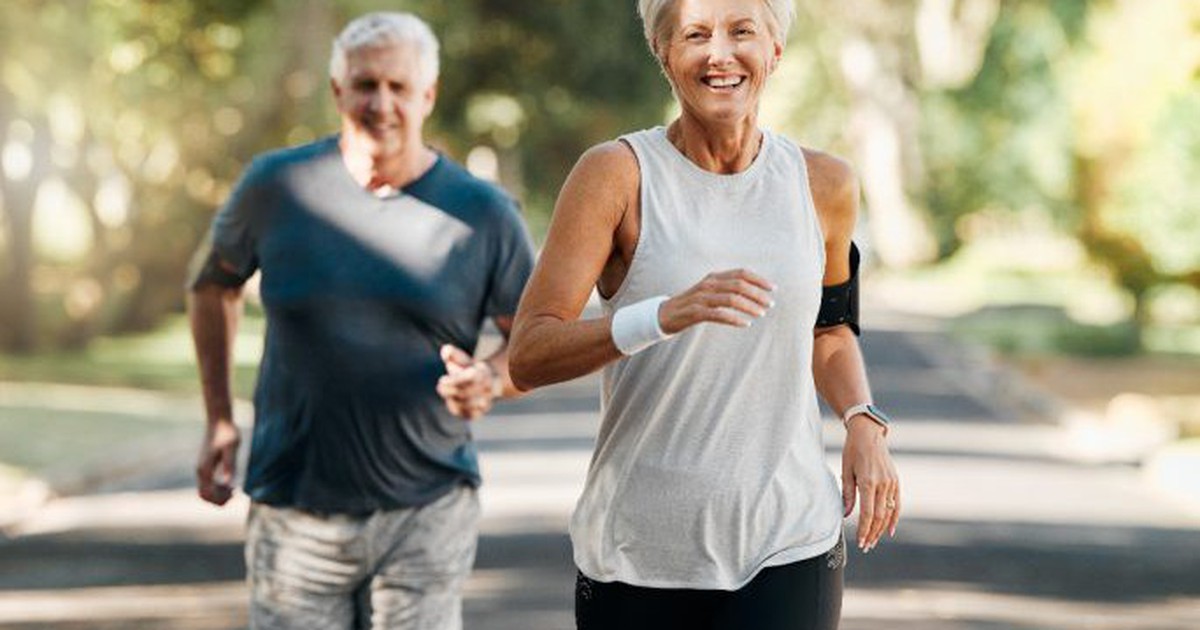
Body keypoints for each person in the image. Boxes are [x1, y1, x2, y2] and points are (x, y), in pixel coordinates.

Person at [507, 0, 900, 628]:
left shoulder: (825, 184)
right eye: (695, 35)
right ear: (664, 54)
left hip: (789, 540)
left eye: (742, 31)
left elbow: (829, 329)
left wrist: (861, 417)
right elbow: (529, 353)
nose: (720, 54)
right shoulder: (616, 175)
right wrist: (660, 316)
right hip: (639, 553)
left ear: (774, 50)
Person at [187, 11, 534, 629]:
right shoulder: (277, 186)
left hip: (427, 507)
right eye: (366, 85)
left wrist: (490, 378)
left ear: (428, 96)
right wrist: (218, 416)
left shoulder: (484, 214)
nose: (382, 104)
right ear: (337, 91)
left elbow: (533, 342)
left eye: (399, 87)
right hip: (294, 514)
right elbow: (212, 285)